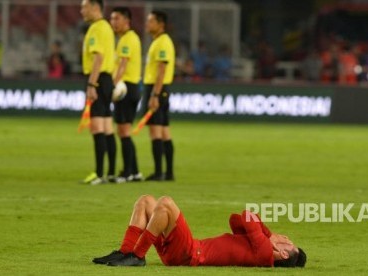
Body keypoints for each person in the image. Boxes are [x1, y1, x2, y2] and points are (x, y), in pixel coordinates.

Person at [92, 195, 307, 268]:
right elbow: (236, 220)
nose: (286, 238)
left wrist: (270, 236)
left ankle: (137, 256)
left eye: (289, 242)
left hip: (189, 254)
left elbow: (248, 215)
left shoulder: (265, 254)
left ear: (285, 253)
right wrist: (268, 236)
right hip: (184, 251)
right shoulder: (257, 246)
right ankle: (126, 252)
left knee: (165, 202)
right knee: (146, 201)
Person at [80, 0, 117, 185]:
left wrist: (91, 84)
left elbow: (98, 57)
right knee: (107, 127)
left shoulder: (96, 28)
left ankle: (99, 173)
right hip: (106, 79)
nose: (81, 11)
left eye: (84, 7)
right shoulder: (107, 28)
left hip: (98, 79)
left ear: (95, 8)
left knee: (97, 127)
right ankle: (110, 172)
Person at [109, 7, 144, 183]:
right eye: (112, 19)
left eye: (116, 19)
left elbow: (122, 65)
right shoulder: (130, 38)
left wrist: (112, 85)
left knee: (123, 131)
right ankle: (135, 172)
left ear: (126, 21)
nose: (113, 22)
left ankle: (127, 172)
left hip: (126, 88)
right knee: (125, 131)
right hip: (131, 87)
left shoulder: (126, 40)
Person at [142, 11, 176, 181]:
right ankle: (168, 173)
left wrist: (154, 94)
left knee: (156, 132)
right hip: (161, 89)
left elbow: (161, 70)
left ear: (160, 24)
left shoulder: (162, 42)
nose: (147, 24)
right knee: (164, 132)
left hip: (157, 89)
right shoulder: (159, 41)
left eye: (151, 21)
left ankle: (159, 172)